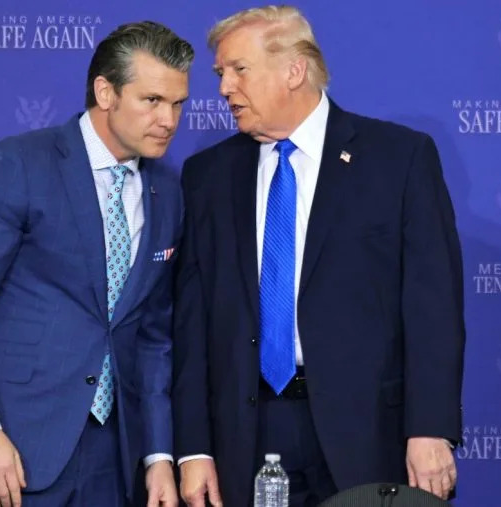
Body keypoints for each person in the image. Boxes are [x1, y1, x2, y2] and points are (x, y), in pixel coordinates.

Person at [172, 6, 465, 506]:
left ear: (294, 70)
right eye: (220, 73)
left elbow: (432, 308)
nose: (223, 88)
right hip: (246, 435)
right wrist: (193, 449)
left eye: (239, 70)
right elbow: (192, 324)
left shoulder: (398, 159)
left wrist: (430, 428)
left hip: (369, 435)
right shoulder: (208, 176)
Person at [0, 21, 192, 507]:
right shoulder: (19, 164)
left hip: (115, 456)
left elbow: (154, 336)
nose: (168, 120)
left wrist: (157, 455)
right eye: (152, 100)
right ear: (105, 92)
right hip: (11, 446)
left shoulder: (167, 191)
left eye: (178, 104)